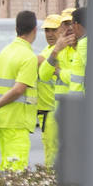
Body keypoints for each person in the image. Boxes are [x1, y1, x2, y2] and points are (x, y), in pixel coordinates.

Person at [0, 10, 40, 170]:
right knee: (17, 168)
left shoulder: (4, 53)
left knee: (6, 164)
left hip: (2, 121)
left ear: (16, 28)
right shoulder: (28, 57)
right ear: (35, 30)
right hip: (17, 120)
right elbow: (19, 89)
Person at [35, 14, 65, 168]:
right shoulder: (46, 49)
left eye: (54, 30)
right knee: (50, 148)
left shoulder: (55, 51)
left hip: (53, 110)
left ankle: (51, 181)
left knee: (52, 150)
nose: (50, 34)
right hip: (46, 110)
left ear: (62, 30)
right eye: (47, 30)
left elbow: (38, 61)